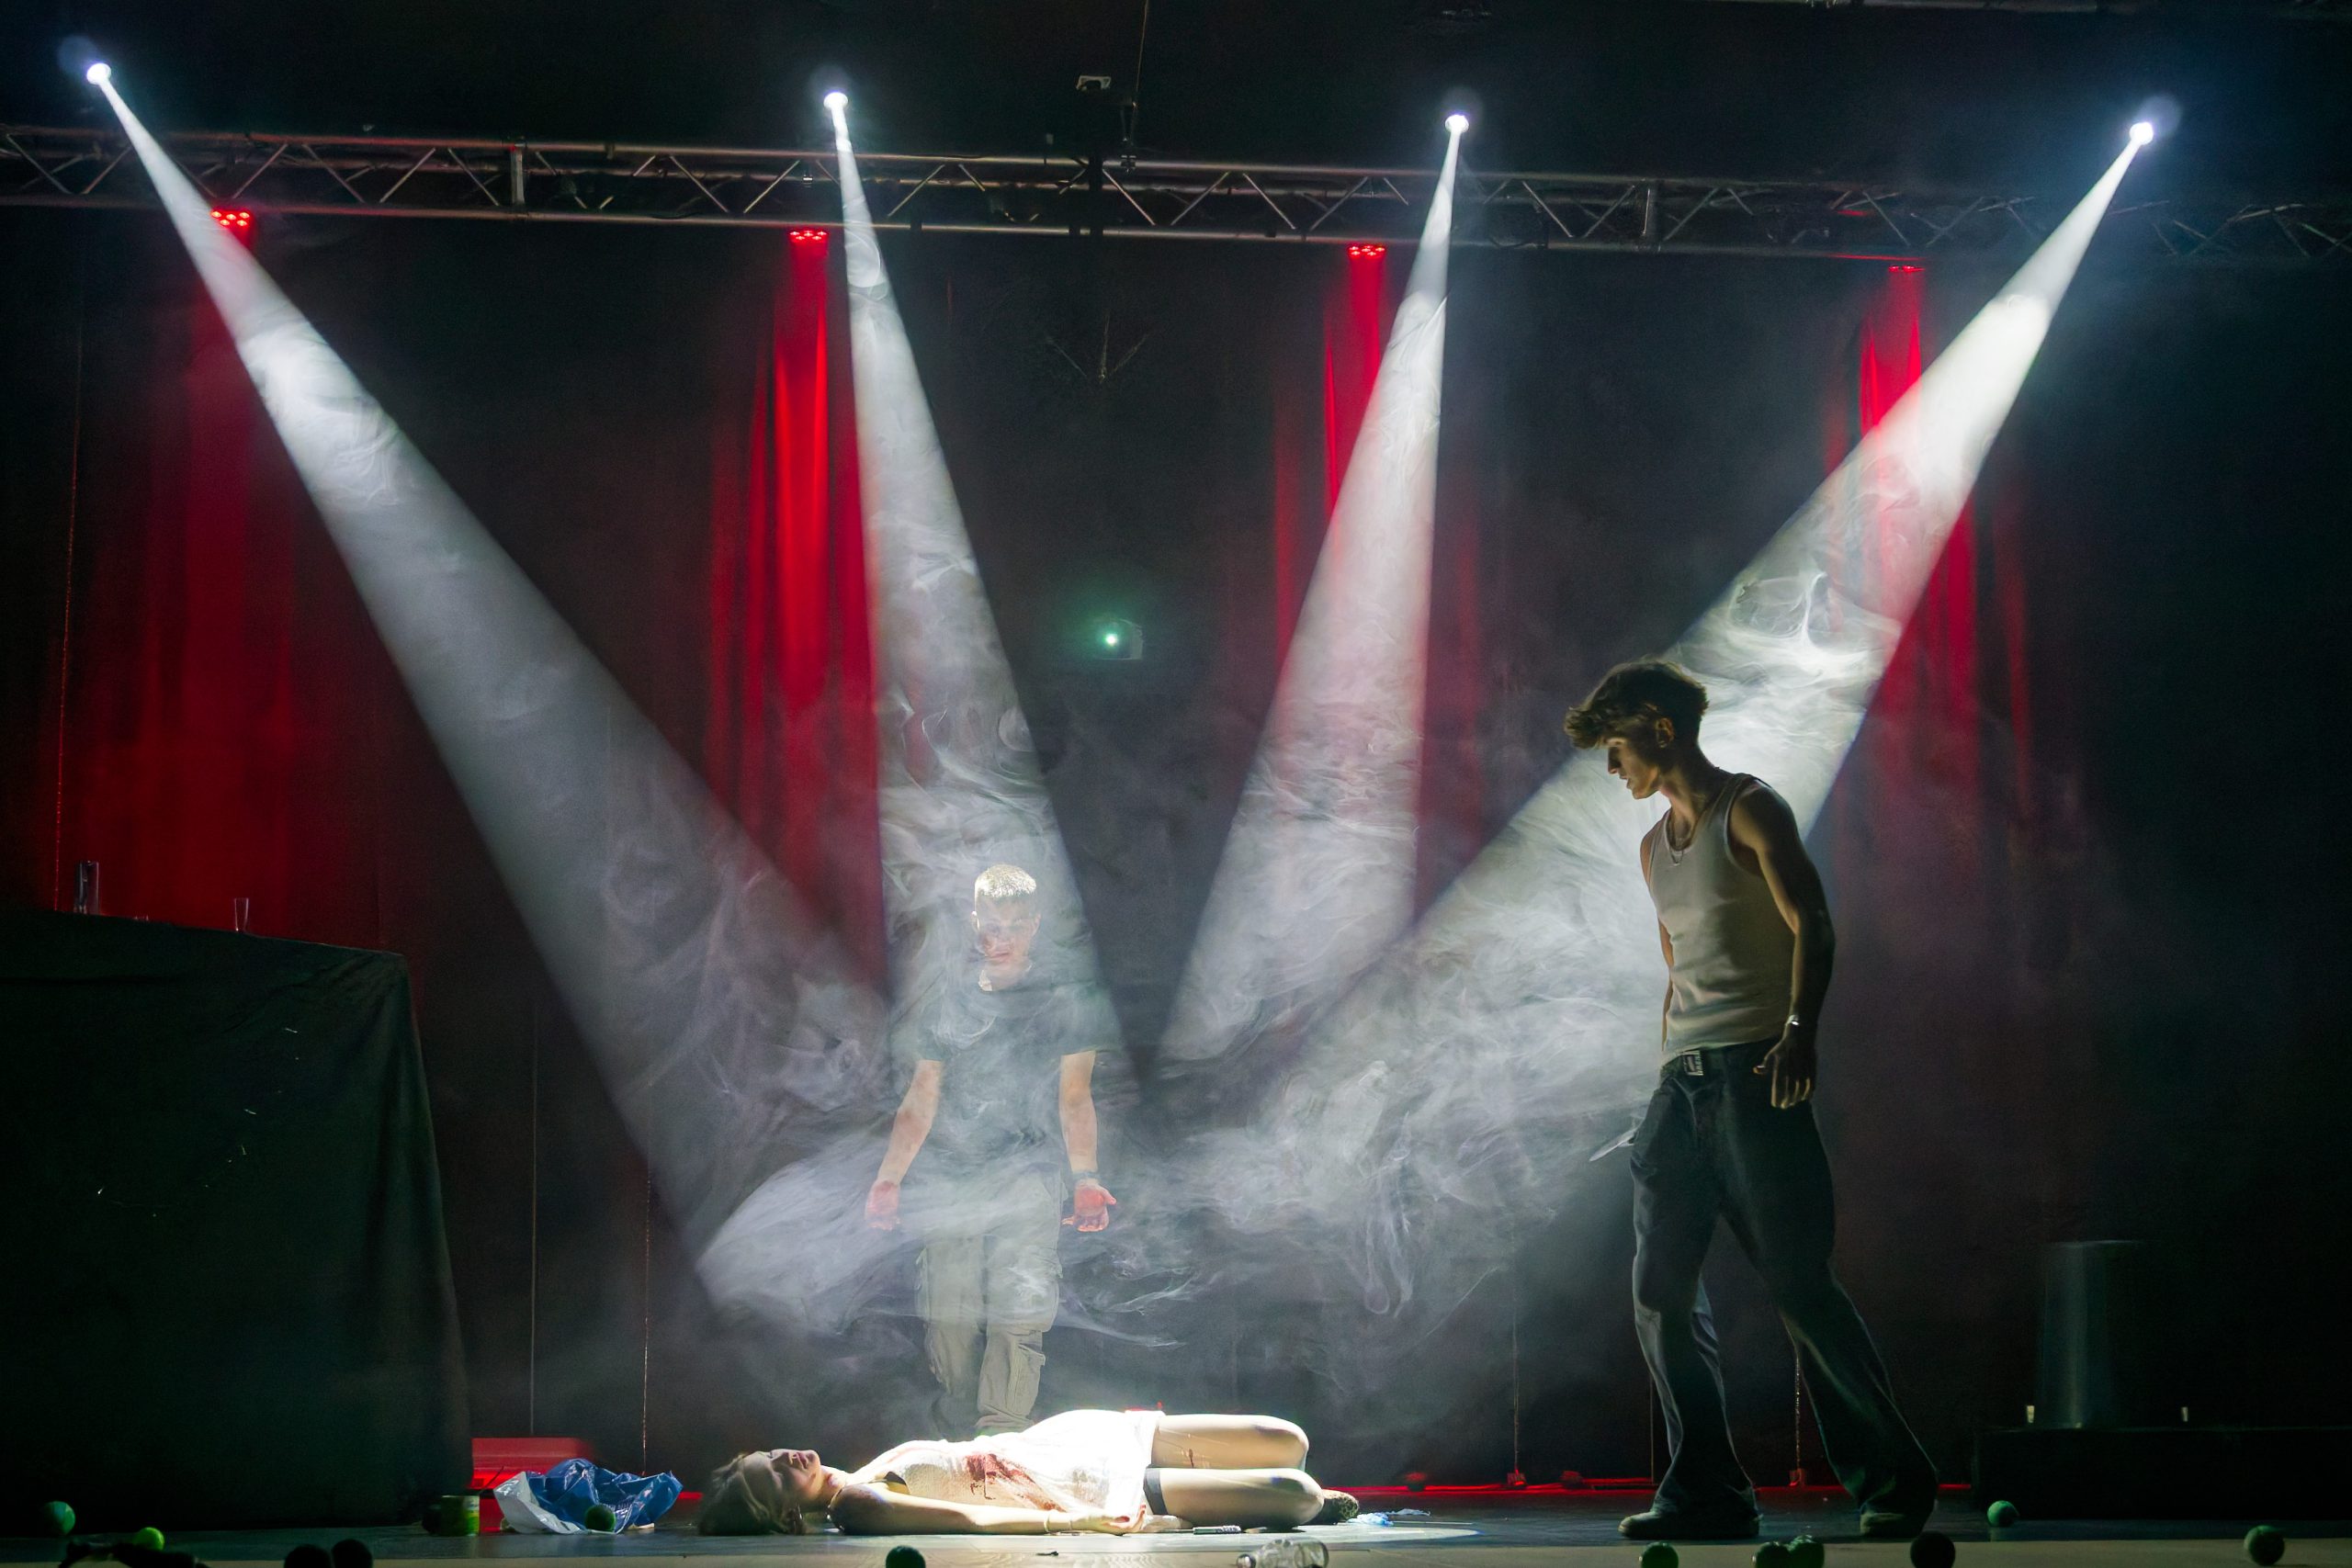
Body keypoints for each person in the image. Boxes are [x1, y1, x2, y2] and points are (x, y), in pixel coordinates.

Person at [1563, 660, 1937, 1541]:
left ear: (1659, 728)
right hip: (1681, 1087)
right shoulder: (1652, 849)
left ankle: (1894, 1481)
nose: (1611, 767)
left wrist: (1800, 1029)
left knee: (1800, 1286)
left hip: (1755, 1077)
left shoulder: (1750, 807)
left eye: (1616, 747)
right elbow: (1678, 971)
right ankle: (1708, 1493)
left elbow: (1815, 922)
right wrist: (1666, 1076)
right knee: (1659, 1292)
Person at [865, 863, 1116, 1437]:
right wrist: (889, 1179)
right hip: (952, 1178)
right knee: (948, 1317)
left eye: (1014, 926)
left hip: (1026, 1175)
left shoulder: (1064, 1002)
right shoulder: (949, 1000)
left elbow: (1075, 1097)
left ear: (1035, 924)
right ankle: (959, 1436)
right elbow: (921, 1098)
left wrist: (1085, 1178)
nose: (1000, 939)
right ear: (974, 920)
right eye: (990, 926)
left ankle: (1002, 1435)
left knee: (1019, 1310)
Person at [697, 1410, 1356, 1535]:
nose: (785, 1458)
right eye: (775, 1476)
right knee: (1296, 1493)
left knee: (1290, 1439)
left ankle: (1275, 1503)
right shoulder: (856, 1504)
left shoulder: (866, 1469)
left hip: (1081, 1437)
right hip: (1087, 1486)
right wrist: (1073, 1522)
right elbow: (966, 1518)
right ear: (788, 1514)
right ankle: (1293, 1506)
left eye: (770, 1454)